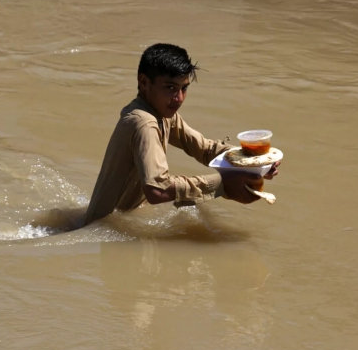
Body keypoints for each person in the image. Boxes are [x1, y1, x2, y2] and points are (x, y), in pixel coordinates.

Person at [84, 43, 280, 226]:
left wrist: (254, 162)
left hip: (122, 220)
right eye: (170, 88)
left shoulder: (162, 113)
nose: (179, 98)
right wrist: (224, 183)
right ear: (143, 82)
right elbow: (157, 191)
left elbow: (205, 149)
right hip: (102, 227)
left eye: (184, 88)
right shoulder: (143, 123)